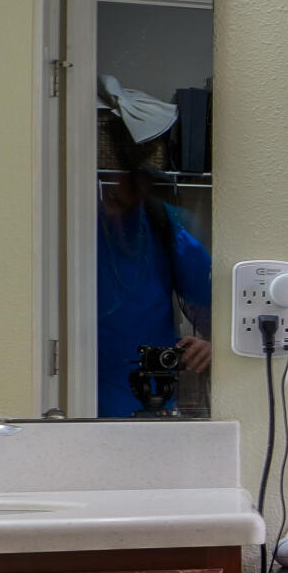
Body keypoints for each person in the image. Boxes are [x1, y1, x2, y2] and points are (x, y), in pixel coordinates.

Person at [98, 112, 213, 416]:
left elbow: (217, 311)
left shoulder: (168, 225)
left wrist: (212, 345)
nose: (122, 187)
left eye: (135, 180)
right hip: (78, 393)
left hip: (151, 396)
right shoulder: (76, 228)